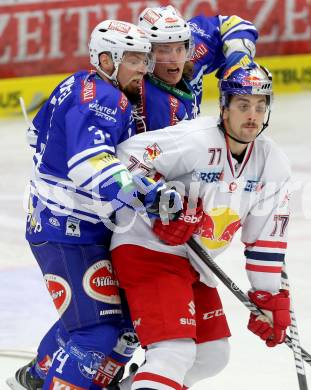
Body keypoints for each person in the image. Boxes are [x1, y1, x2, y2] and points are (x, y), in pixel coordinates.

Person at [7, 20, 181, 390]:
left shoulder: (75, 82)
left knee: (123, 325)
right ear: (106, 58)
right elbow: (89, 164)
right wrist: (144, 193)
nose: (143, 69)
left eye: (144, 59)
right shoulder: (108, 98)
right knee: (98, 334)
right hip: (68, 230)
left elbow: (35, 134)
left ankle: (38, 376)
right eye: (134, 60)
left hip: (69, 223)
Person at [110, 63, 292, 389]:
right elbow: (125, 157)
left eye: (260, 106)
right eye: (243, 105)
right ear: (224, 107)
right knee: (173, 353)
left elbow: (265, 240)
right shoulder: (195, 139)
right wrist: (159, 201)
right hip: (147, 250)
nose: (252, 114)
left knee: (212, 354)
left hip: (193, 263)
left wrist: (268, 296)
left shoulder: (272, 164)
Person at [133, 5, 259, 132]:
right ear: (146, 53)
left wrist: (238, 57)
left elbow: (237, 24)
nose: (175, 58)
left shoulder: (195, 47)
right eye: (165, 50)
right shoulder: (153, 104)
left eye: (179, 49)